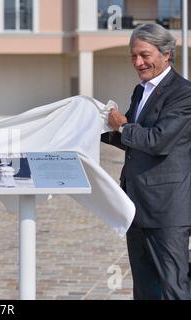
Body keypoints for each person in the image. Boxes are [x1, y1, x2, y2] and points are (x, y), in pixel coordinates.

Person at [101, 24, 191, 300]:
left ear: (166, 55)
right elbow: (131, 140)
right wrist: (94, 127)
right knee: (144, 288)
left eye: (144, 55)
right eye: (133, 56)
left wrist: (123, 126)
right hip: (136, 204)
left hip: (167, 210)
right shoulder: (141, 91)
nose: (138, 62)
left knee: (173, 288)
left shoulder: (183, 93)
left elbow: (157, 140)